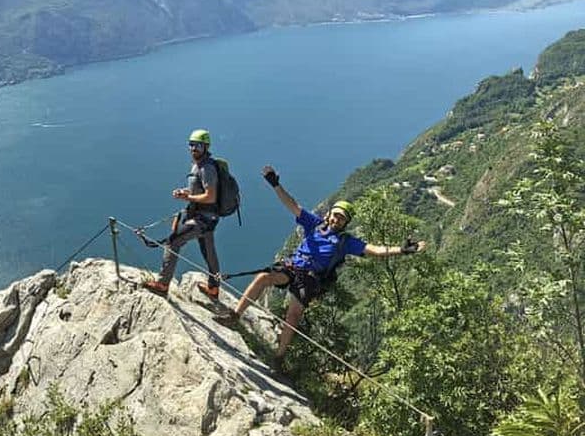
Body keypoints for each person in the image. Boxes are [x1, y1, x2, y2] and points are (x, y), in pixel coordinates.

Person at [216, 165, 426, 373]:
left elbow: (374, 250)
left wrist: (401, 250)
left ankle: (279, 357)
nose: (336, 219)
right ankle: (235, 316)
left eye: (341, 218)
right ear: (328, 215)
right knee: (263, 277)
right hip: (293, 266)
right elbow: (292, 205)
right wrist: (276, 185)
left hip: (310, 279)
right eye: (335, 215)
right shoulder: (314, 224)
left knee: (293, 316)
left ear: (345, 223)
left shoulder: (346, 241)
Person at [143, 129, 222, 300]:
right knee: (209, 252)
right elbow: (199, 189)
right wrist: (185, 192)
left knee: (173, 241)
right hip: (206, 217)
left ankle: (163, 284)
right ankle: (214, 289)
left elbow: (210, 196)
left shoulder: (207, 168)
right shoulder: (198, 165)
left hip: (203, 219)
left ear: (206, 147)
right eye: (191, 145)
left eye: (198, 145)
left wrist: (188, 197)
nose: (194, 148)